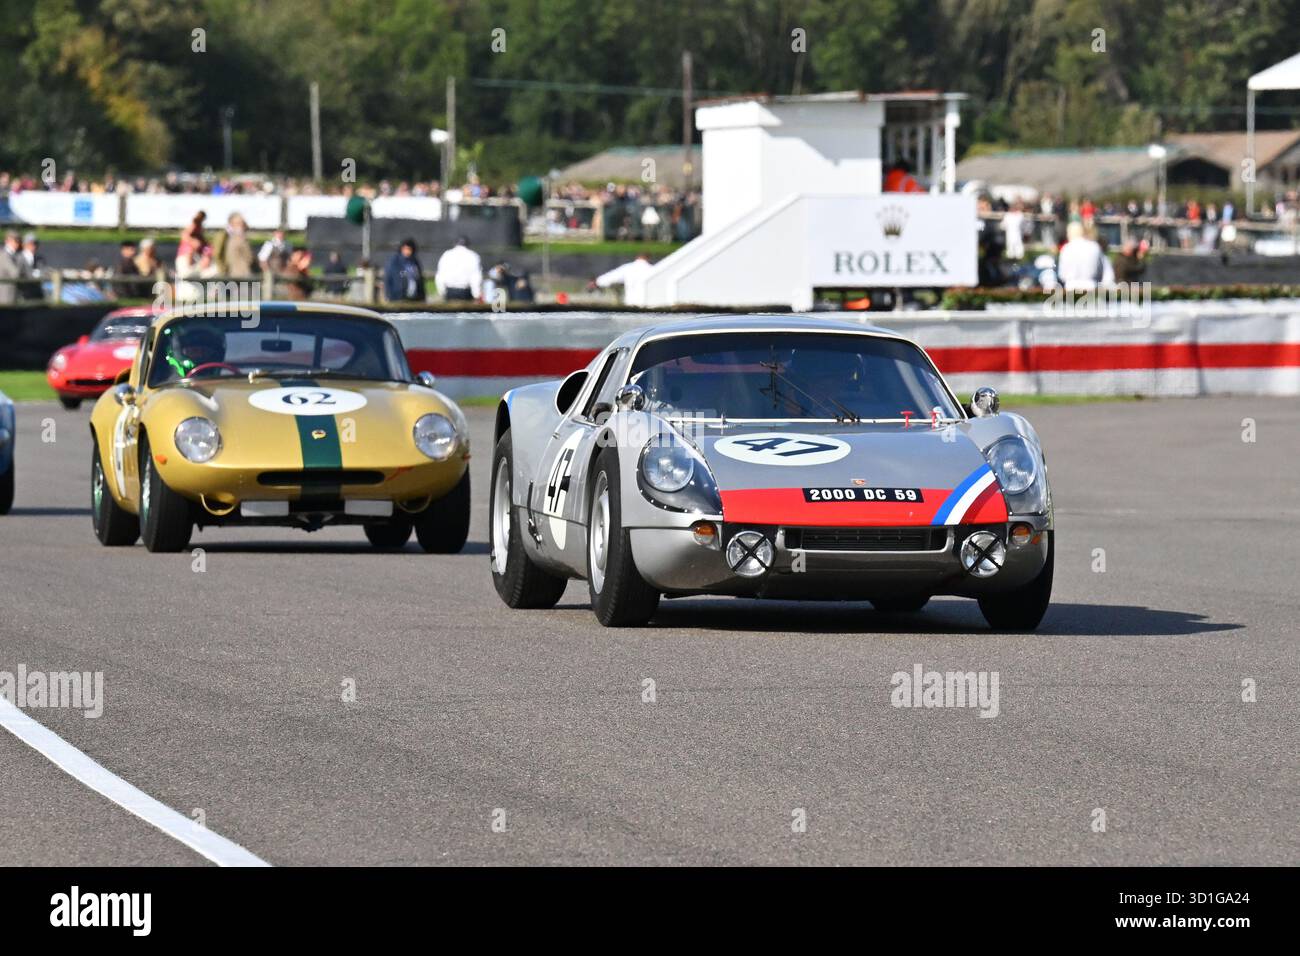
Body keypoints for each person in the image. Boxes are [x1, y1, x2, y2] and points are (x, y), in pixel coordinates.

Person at [1056, 220, 1105, 290]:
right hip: (1091, 286)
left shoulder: (1066, 248)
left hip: (1070, 286)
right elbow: (1101, 270)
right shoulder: (1094, 247)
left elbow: (1062, 273)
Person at [434, 235, 482, 301]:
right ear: (467, 244)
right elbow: (475, 277)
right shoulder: (473, 256)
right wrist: (476, 294)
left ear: (455, 243)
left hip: (450, 292)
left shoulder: (447, 255)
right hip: (465, 293)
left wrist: (442, 292)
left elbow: (440, 276)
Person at [211, 212, 255, 278]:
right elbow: (217, 254)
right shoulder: (224, 236)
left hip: (236, 274)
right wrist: (223, 270)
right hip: (237, 274)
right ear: (232, 224)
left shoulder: (239, 236)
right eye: (239, 223)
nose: (242, 226)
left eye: (243, 223)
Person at [588, 253, 653, 297]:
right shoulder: (653, 269)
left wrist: (597, 282)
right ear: (648, 259)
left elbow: (612, 277)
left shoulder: (628, 267)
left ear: (637, 258)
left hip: (632, 301)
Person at [384, 238, 426, 303]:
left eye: (409, 249)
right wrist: (388, 296)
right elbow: (388, 279)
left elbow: (420, 279)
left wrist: (422, 296)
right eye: (405, 249)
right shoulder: (395, 262)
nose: (407, 252)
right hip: (398, 298)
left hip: (414, 298)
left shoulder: (415, 262)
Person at [0, 231, 25, 305]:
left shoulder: (14, 254)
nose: (18, 243)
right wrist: (22, 257)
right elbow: (15, 274)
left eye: (19, 241)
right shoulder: (3, 255)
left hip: (13, 294)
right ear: (7, 241)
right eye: (16, 241)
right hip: (6, 295)